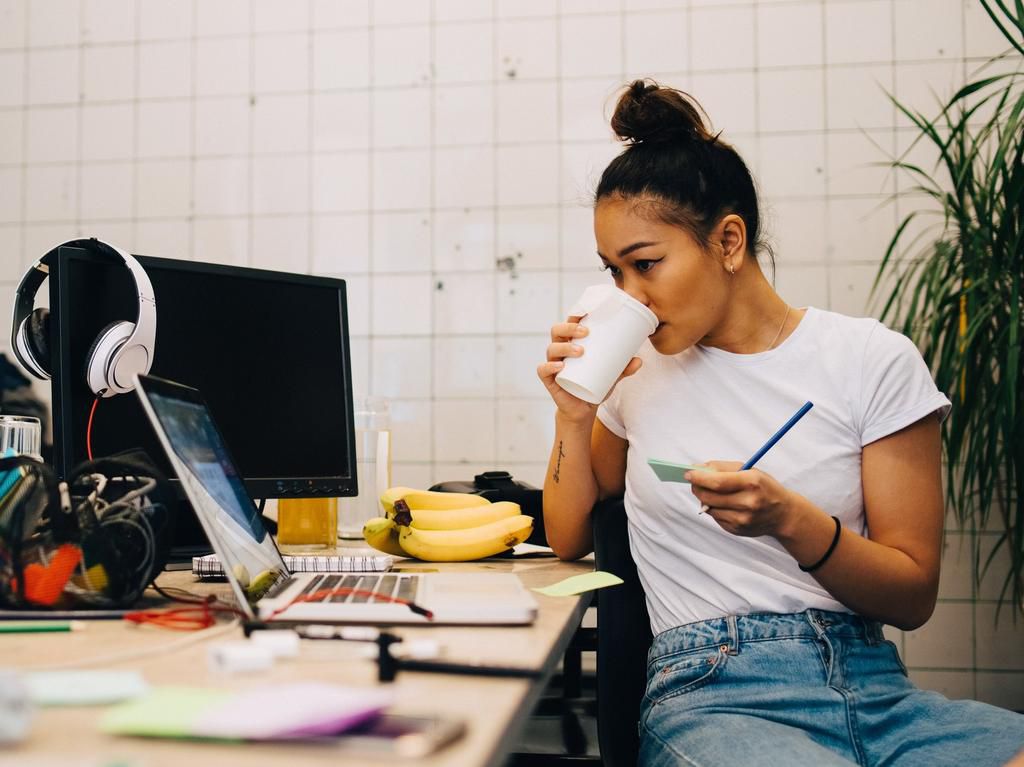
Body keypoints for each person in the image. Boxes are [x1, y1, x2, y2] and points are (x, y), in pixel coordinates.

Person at [538, 80, 1024, 766]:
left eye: (644, 264)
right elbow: (565, 534)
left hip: (875, 689)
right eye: (614, 272)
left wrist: (790, 519)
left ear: (728, 240)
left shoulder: (870, 360)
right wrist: (572, 414)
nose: (629, 296)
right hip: (715, 692)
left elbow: (913, 593)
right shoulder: (636, 373)